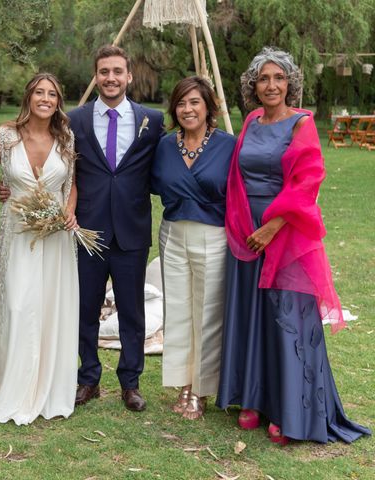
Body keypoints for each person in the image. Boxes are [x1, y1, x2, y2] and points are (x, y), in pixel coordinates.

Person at [216, 47, 371, 444]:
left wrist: (272, 227)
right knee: (252, 314)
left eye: (279, 78)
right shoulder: (250, 120)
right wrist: (247, 226)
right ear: (254, 84)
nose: (271, 85)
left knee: (288, 316)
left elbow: (307, 182)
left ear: (290, 84)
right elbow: (237, 176)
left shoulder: (302, 123)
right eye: (264, 79)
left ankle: (291, 410)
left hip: (286, 232)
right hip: (246, 232)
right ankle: (252, 397)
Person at [0, 73, 79, 425]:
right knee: (18, 306)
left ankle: (49, 390)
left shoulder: (65, 137)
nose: (45, 99)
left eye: (52, 93)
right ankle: (14, 389)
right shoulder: (6, 136)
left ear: (58, 101)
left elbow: (71, 184)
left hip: (56, 239)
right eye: (39, 92)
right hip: (19, 235)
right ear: (29, 97)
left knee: (52, 308)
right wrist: (0, 190)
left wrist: (68, 210)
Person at [69, 46, 164, 411]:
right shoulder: (75, 119)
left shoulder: (151, 121)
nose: (110, 78)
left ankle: (130, 382)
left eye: (117, 71)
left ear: (129, 76)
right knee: (85, 308)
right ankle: (88, 378)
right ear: (96, 76)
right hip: (88, 231)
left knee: (132, 309)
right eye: (104, 71)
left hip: (131, 229)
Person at [150, 77, 235, 420]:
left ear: (208, 107)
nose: (188, 109)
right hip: (172, 234)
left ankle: (201, 388)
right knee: (179, 311)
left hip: (213, 237)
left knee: (208, 314)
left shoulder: (229, 145)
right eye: (182, 103)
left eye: (195, 102)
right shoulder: (165, 146)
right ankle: (183, 383)